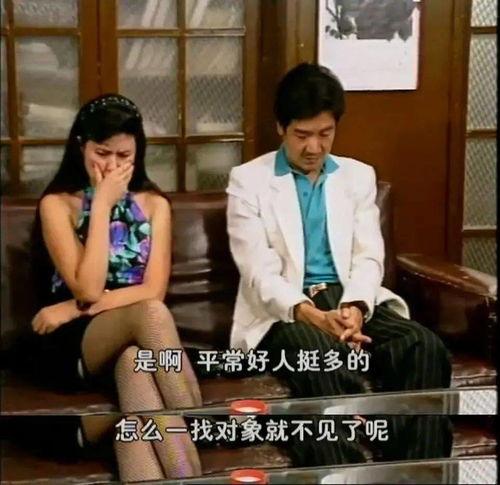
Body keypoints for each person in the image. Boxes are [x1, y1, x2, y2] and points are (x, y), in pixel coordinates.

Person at [226, 63, 452, 465]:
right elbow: (258, 272)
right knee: (318, 352)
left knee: (422, 345)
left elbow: (368, 255)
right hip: (285, 308)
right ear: (281, 128)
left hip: (347, 297)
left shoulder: (357, 176)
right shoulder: (248, 181)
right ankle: (345, 471)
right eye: (302, 135)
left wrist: (357, 308)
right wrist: (312, 315)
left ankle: (414, 471)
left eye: (325, 134)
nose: (314, 147)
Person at [26, 94, 202, 481]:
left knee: (136, 377)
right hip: (76, 341)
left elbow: (153, 290)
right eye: (102, 153)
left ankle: (185, 458)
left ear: (138, 154)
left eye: (124, 156)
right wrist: (102, 205)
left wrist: (68, 308)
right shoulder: (58, 204)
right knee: (151, 316)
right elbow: (88, 289)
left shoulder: (154, 205)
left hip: (110, 332)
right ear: (81, 147)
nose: (112, 166)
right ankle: (193, 419)